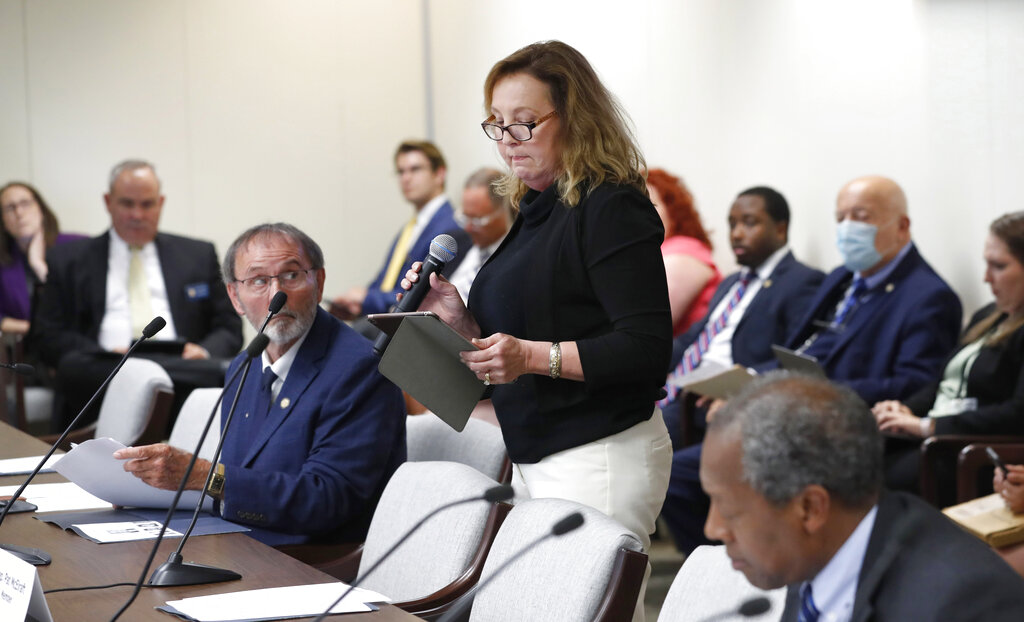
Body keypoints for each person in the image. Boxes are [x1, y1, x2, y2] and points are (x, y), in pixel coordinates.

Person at [403, 40, 671, 620]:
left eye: (525, 124)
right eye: (497, 125)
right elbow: (524, 335)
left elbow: (647, 351)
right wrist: (460, 320)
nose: (507, 141)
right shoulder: (539, 207)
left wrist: (531, 358)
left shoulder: (610, 205)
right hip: (538, 449)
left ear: (574, 119)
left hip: (599, 451)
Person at [114, 223, 406, 546]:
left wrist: (204, 476)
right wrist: (149, 487)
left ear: (319, 283)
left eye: (291, 276)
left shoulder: (361, 368)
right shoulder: (244, 365)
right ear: (235, 297)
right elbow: (243, 483)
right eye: (258, 281)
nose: (275, 295)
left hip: (314, 562)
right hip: (241, 544)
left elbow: (326, 500)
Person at [701, 372, 1024, 621]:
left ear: (810, 509)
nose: (712, 529)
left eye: (728, 510)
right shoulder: (814, 555)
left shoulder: (961, 604)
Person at [658, 186, 824, 553]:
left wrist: (737, 386)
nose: (736, 233)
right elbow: (692, 341)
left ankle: (710, 558)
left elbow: (794, 355)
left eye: (750, 223)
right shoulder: (732, 283)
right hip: (682, 388)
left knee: (646, 447)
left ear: (780, 229)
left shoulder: (802, 281)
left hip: (721, 399)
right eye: (732, 223)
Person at [30, 160, 242, 430]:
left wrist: (203, 352)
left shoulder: (197, 255)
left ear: (161, 202)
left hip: (186, 370)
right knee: (75, 365)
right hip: (105, 373)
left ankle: (173, 375)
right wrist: (104, 354)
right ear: (108, 202)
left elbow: (229, 326)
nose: (137, 215)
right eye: (127, 204)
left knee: (227, 369)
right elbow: (48, 336)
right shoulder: (68, 260)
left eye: (147, 204)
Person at [872, 212, 1024, 498]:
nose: (986, 278)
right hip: (933, 437)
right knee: (845, 454)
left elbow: (1016, 414)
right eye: (986, 264)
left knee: (873, 480)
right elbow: (942, 382)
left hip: (962, 450)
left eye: (999, 266)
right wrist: (905, 410)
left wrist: (927, 426)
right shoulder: (988, 315)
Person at [782, 175, 961, 405]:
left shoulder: (930, 297)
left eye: (861, 217)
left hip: (852, 419)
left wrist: (821, 392)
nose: (847, 228)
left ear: (902, 226)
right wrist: (756, 378)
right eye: (840, 218)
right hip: (798, 399)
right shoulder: (840, 276)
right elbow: (809, 345)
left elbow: (916, 384)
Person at [331, 140, 461, 319]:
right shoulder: (409, 229)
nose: (406, 178)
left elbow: (425, 294)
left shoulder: (450, 228)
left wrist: (367, 298)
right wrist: (357, 304)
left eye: (415, 169)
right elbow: (385, 280)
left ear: (439, 174)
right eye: (401, 171)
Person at [0, 182, 84, 336]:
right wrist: (30, 328)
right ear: (3, 221)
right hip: (28, 351)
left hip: (77, 345)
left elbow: (82, 307)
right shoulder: (3, 262)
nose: (19, 213)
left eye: (25, 203)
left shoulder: (78, 246)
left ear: (41, 210)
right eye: (10, 208)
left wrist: (38, 265)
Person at [645, 168, 720, 336]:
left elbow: (646, 328)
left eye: (648, 206)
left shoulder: (684, 251)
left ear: (672, 210)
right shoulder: (652, 252)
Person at [446, 167, 512, 304]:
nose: (468, 227)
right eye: (465, 217)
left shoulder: (515, 257)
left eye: (477, 220)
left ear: (505, 211)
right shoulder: (457, 244)